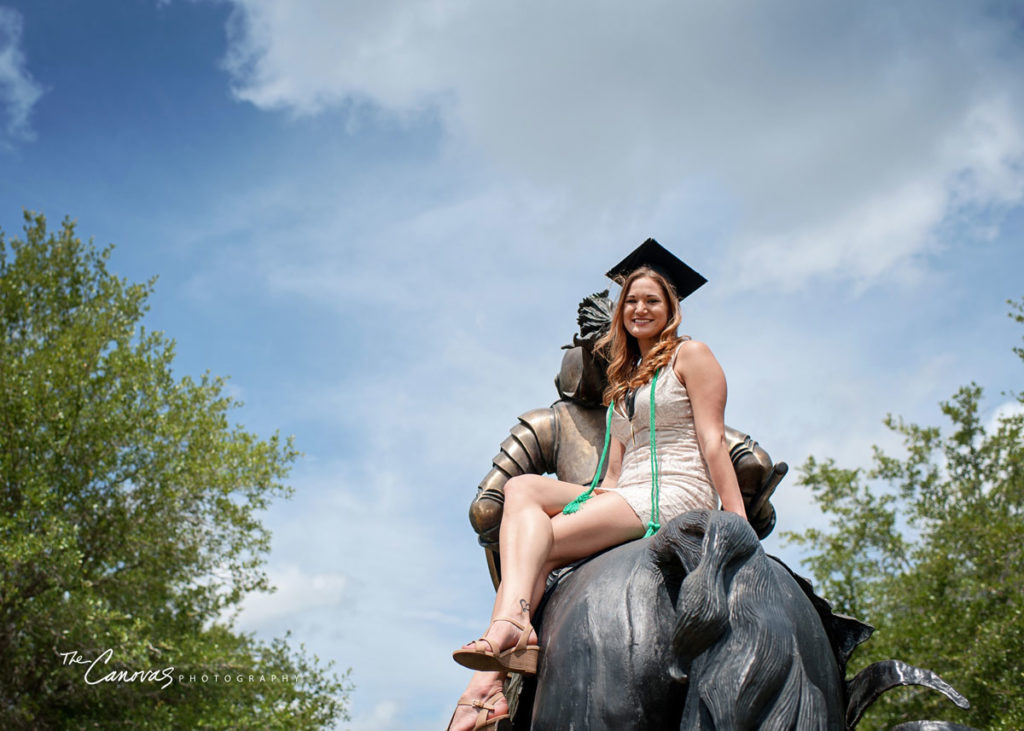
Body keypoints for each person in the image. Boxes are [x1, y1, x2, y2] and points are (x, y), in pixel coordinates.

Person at [446, 239, 747, 731]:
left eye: (651, 300)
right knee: (522, 490)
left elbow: (713, 441)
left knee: (530, 549)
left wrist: (735, 519)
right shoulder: (622, 384)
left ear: (670, 308)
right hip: (626, 493)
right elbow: (610, 478)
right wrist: (570, 511)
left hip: (673, 493)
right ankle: (512, 632)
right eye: (631, 301)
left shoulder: (692, 356)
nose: (639, 308)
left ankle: (490, 673)